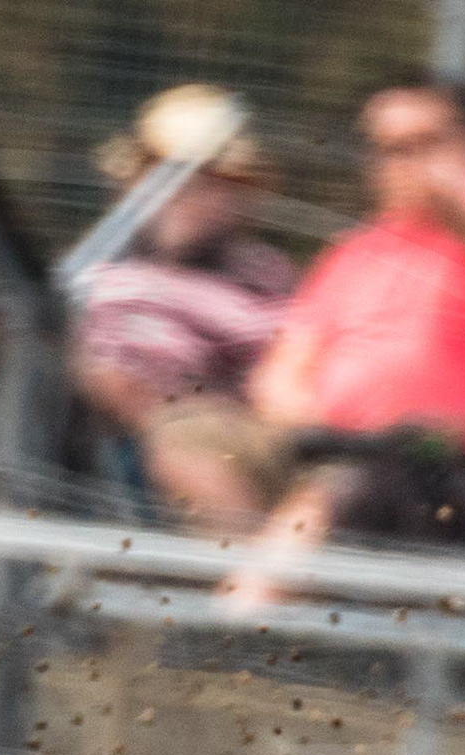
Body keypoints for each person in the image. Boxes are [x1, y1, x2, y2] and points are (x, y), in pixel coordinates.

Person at [224, 80, 465, 599]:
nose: (403, 163)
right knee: (197, 439)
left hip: (462, 470)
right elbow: (282, 371)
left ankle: (244, 626)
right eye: (388, 148)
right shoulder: (354, 253)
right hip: (334, 450)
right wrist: (312, 425)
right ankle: (226, 605)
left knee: (354, 485)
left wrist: (441, 188)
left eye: (424, 142)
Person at [69, 86, 301, 538]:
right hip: (77, 435)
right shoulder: (90, 268)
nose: (182, 198)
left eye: (207, 184)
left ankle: (245, 593)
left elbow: (282, 386)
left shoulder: (263, 278)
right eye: (163, 179)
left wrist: (158, 404)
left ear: (241, 195)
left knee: (190, 445)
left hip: (195, 437)